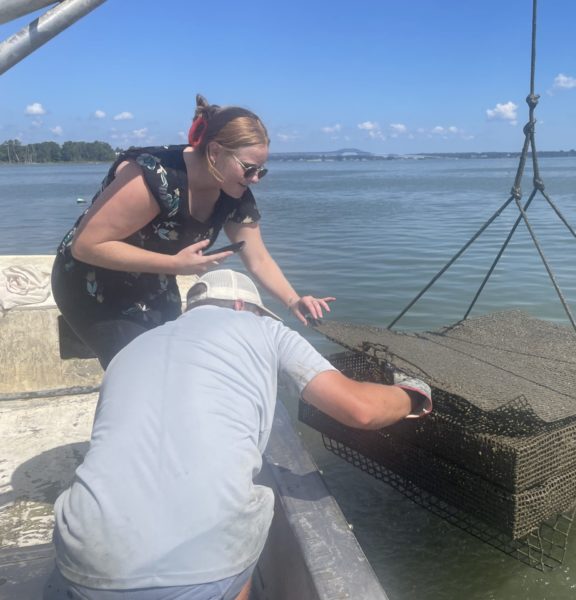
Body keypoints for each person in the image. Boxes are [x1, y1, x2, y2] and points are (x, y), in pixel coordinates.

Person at [44, 269, 432, 600]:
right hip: (202, 572)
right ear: (246, 307)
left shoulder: (133, 348)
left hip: (83, 558)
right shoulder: (264, 329)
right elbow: (358, 409)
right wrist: (410, 397)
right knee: (228, 534)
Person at [51, 94, 334, 369]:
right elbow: (86, 245)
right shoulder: (153, 178)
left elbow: (258, 258)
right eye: (249, 169)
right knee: (139, 370)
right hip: (92, 279)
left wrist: (293, 300)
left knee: (175, 359)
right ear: (214, 152)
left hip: (153, 278)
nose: (256, 179)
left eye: (262, 170)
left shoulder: (233, 190)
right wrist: (175, 264)